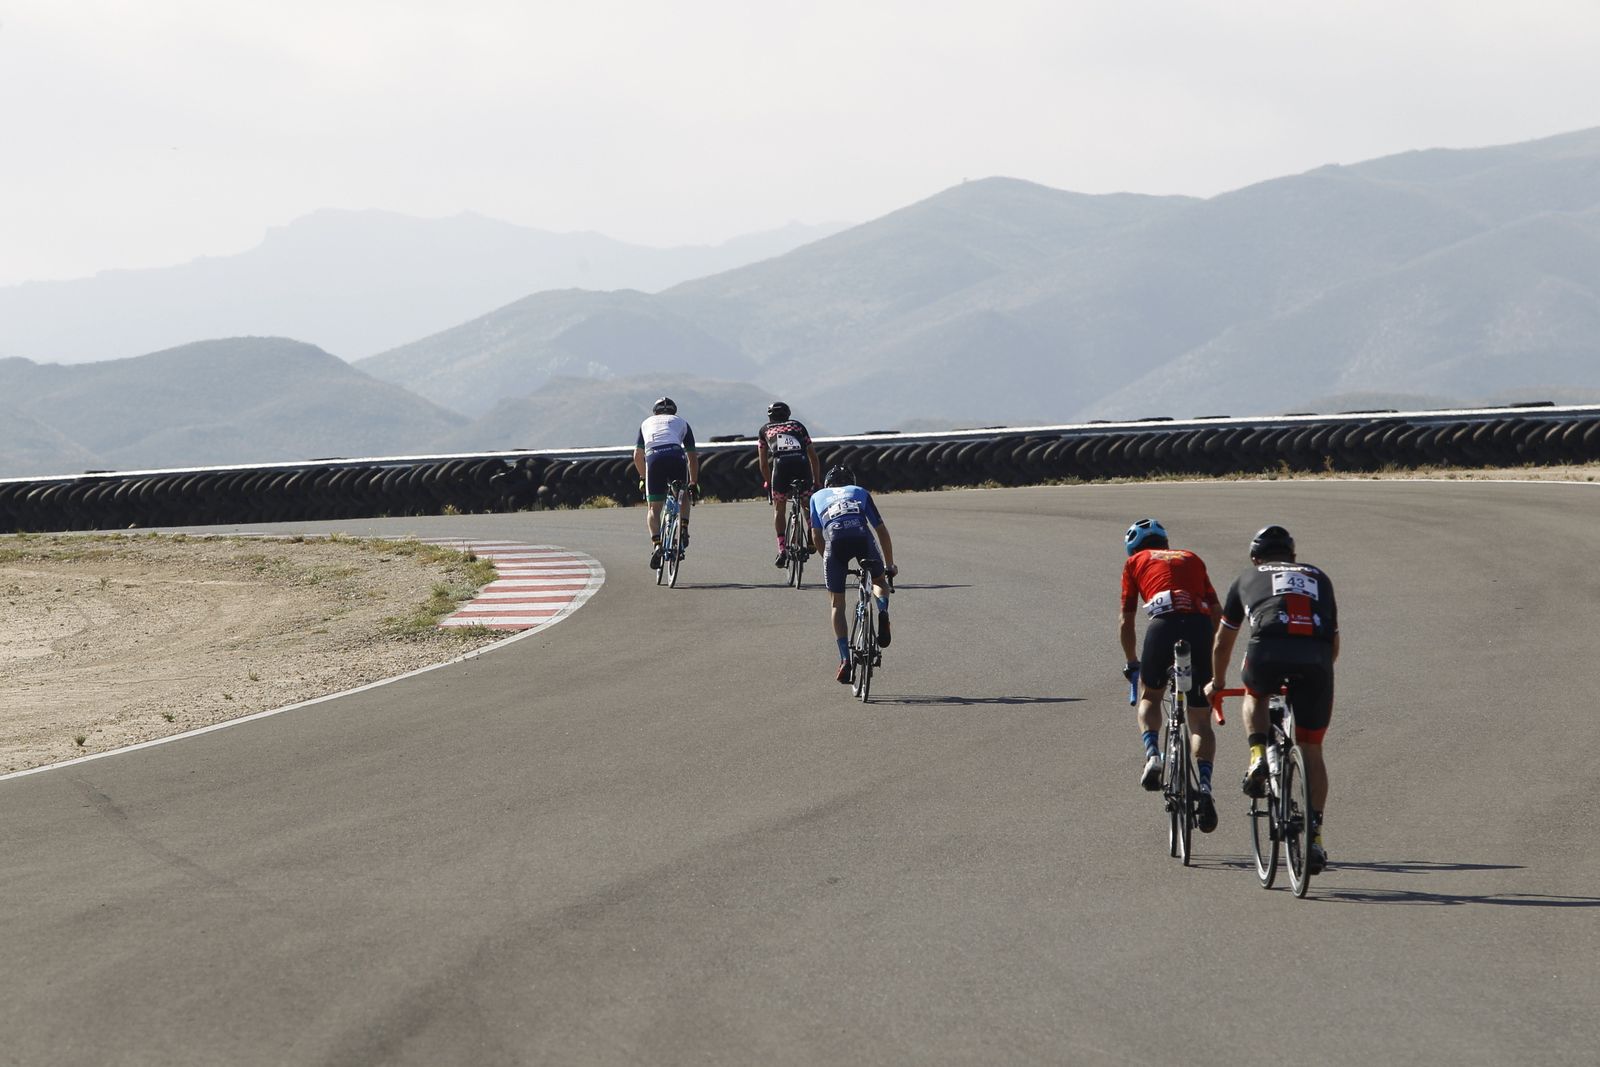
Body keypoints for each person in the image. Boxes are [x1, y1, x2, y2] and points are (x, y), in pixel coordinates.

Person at [1204, 524, 1339, 874]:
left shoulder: (1246, 577)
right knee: (1312, 748)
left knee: (1255, 694)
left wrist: (1217, 682)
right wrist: (1315, 674)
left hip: (1268, 649)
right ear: (1293, 556)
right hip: (1316, 658)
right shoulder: (1319, 577)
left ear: (1255, 557)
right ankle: (1315, 837)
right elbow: (1333, 643)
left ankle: (1257, 754)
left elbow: (1222, 643)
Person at [1119, 518, 1222, 833]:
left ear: (1132, 549)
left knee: (1150, 695)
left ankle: (1153, 754)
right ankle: (1204, 786)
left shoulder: (1135, 562)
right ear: (1166, 544)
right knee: (1200, 720)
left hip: (1162, 626)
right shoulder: (1191, 557)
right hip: (1200, 627)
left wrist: (1133, 662)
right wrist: (1214, 656)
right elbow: (1218, 613)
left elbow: (1126, 620)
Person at [809, 465, 897, 684]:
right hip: (861, 538)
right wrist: (890, 564)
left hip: (835, 544)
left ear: (828, 484)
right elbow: (881, 530)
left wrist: (828, 561)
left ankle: (845, 660)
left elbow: (816, 535)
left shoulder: (817, 496)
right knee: (878, 580)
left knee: (837, 604)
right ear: (851, 482)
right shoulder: (859, 492)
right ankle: (882, 610)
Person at [631, 397, 700, 570]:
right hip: (676, 456)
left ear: (655, 412)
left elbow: (637, 456)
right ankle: (683, 527)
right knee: (682, 493)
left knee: (654, 508)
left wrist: (643, 478)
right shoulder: (681, 422)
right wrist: (693, 482)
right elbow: (692, 457)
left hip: (654, 458)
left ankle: (657, 544)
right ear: (674, 412)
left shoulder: (646, 423)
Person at [756, 401, 824, 568]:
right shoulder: (798, 426)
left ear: (770, 417)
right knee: (807, 505)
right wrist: (816, 481)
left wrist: (768, 482)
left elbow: (763, 464)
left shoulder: (764, 429)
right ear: (788, 414)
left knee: (779, 509)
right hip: (802, 465)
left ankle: (782, 549)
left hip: (781, 468)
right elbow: (813, 458)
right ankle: (811, 531)